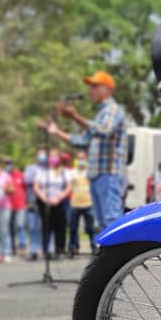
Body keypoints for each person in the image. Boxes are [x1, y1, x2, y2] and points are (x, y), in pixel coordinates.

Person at [47, 70, 127, 232]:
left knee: (112, 221)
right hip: (97, 175)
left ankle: (122, 256)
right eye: (90, 87)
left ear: (108, 90)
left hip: (108, 173)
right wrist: (56, 131)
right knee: (103, 224)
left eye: (95, 86)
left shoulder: (113, 110)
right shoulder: (100, 114)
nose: (90, 91)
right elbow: (82, 141)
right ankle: (111, 257)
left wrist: (76, 117)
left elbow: (104, 130)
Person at [34, 150, 71, 260]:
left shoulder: (64, 172)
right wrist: (44, 198)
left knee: (60, 227)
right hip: (45, 202)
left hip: (59, 202)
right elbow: (36, 186)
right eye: (51, 156)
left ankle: (59, 250)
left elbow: (68, 187)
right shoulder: (42, 171)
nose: (53, 158)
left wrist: (59, 197)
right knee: (46, 227)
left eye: (55, 156)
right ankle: (46, 250)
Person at [67, 150, 96, 257]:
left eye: (82, 158)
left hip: (88, 203)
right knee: (73, 228)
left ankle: (94, 248)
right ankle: (72, 248)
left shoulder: (90, 172)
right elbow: (68, 187)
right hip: (75, 204)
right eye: (79, 158)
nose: (80, 161)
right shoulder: (72, 173)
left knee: (90, 228)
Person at [23, 148, 46, 260]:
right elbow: (27, 180)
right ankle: (33, 250)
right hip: (32, 201)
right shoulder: (30, 168)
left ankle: (47, 249)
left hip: (46, 201)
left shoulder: (50, 169)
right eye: (40, 155)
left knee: (45, 226)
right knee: (33, 227)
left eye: (44, 155)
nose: (42, 157)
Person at [6, 157, 28, 257]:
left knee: (20, 226)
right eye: (6, 163)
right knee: (9, 227)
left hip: (20, 205)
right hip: (7, 206)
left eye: (10, 163)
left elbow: (26, 189)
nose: (8, 165)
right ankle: (11, 247)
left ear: (13, 164)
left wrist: (26, 202)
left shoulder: (20, 175)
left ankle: (22, 246)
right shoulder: (4, 176)